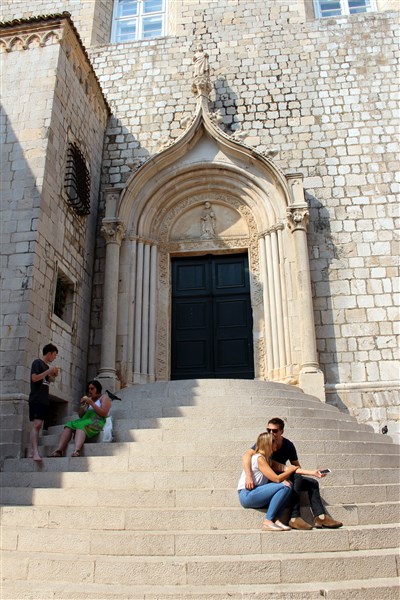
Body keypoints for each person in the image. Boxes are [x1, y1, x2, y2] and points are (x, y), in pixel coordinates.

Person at [242, 417, 343, 530]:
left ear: (281, 431)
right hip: (271, 480)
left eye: (274, 430)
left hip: (283, 476)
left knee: (312, 483)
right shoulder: (265, 443)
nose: (271, 433)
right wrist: (248, 475)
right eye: (268, 430)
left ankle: (320, 517)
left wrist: (313, 473)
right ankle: (294, 517)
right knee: (291, 481)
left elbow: (294, 467)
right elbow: (246, 455)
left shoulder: (287, 446)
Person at [238, 431, 296, 531]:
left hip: (256, 492)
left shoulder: (267, 459)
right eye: (273, 441)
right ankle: (268, 521)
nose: (276, 443)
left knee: (288, 486)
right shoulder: (259, 458)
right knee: (284, 485)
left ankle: (275, 519)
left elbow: (285, 468)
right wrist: (290, 470)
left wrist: (313, 473)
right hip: (247, 494)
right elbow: (277, 479)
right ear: (267, 443)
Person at [49, 380, 111, 457]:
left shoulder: (104, 397)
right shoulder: (89, 399)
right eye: (89, 389)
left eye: (92, 388)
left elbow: (104, 413)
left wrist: (91, 403)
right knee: (69, 425)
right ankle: (59, 450)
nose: (90, 391)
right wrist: (83, 407)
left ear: (98, 388)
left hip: (97, 421)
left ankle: (77, 450)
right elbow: (81, 415)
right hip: (85, 419)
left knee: (81, 425)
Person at [28, 343, 59, 462]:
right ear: (49, 353)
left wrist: (54, 374)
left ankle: (31, 451)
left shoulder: (46, 366)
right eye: (54, 355)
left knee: (38, 425)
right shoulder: (37, 363)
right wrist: (49, 370)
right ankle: (35, 452)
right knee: (37, 425)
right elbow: (34, 378)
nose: (55, 357)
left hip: (44, 399)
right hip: (36, 398)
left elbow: (48, 381)